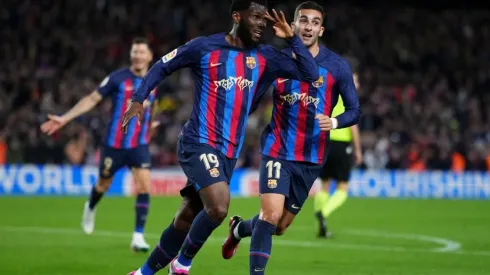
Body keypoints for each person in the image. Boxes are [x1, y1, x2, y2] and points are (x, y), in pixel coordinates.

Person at [124, 0, 320, 274]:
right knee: (218, 206)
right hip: (198, 142)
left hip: (228, 153)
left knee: (186, 217)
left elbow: (311, 74)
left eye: (265, 20)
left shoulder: (265, 56)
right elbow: (162, 65)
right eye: (256, 17)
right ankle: (181, 265)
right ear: (237, 16)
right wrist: (138, 99)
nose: (262, 24)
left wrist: (291, 41)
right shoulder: (204, 47)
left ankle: (143, 272)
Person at [220, 2, 360, 274]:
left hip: (311, 157)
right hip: (278, 149)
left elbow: (355, 110)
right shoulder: (277, 61)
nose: (308, 26)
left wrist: (334, 121)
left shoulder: (337, 66)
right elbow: (254, 97)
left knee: (279, 226)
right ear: (293, 25)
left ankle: (238, 229)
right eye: (303, 21)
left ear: (321, 29)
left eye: (315, 22)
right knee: (270, 216)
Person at [40, 38, 158, 252]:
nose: (138, 56)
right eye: (135, 52)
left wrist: (151, 124)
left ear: (150, 56)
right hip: (114, 144)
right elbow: (92, 99)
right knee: (103, 184)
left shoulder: (155, 79)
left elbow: (152, 106)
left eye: (142, 52)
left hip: (139, 145)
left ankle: (138, 237)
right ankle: (91, 205)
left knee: (144, 186)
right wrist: (65, 118)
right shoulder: (118, 78)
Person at [314, 68, 363, 238]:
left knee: (325, 185)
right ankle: (323, 213)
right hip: (342, 144)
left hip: (325, 141)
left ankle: (321, 218)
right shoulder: (350, 98)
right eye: (355, 80)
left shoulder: (330, 92)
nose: (357, 84)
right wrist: (357, 149)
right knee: (343, 186)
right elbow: (353, 125)